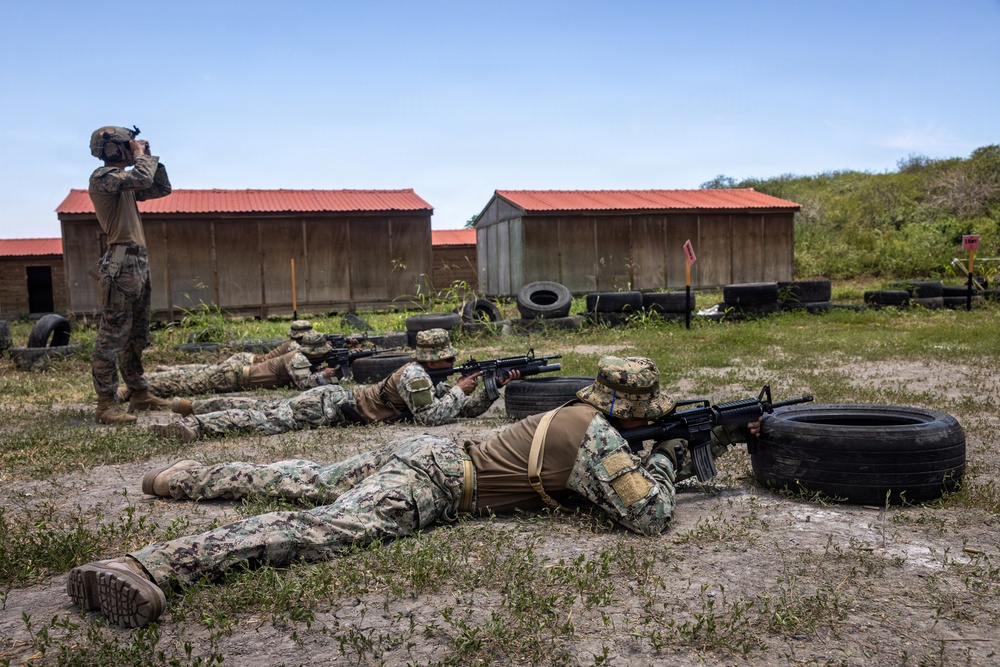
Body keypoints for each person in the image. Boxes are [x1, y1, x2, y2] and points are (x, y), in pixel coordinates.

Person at [66, 355, 759, 628]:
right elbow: (648, 514)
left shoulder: (581, 417)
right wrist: (669, 455)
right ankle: (147, 564)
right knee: (321, 527)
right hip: (433, 481)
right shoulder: (599, 439)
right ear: (633, 408)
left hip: (427, 450)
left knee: (304, 476)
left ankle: (179, 476)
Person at [149, 328, 517, 441]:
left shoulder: (424, 375)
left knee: (263, 410)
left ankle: (191, 407)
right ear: (433, 357)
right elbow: (431, 418)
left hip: (334, 400)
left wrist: (490, 387)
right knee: (263, 419)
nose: (453, 363)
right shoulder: (415, 375)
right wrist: (460, 388)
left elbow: (459, 409)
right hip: (327, 407)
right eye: (448, 359)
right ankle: (194, 424)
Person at [88, 125, 173, 425]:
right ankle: (105, 404)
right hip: (122, 262)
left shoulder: (124, 182)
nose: (131, 149)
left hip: (137, 261)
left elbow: (160, 187)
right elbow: (141, 177)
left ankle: (138, 393)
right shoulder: (103, 178)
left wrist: (148, 156)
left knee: (136, 334)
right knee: (112, 335)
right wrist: (140, 158)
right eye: (128, 145)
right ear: (113, 149)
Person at [140, 330, 341, 400]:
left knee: (192, 376)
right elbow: (304, 384)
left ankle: (146, 381)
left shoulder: (299, 354)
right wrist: (325, 375)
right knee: (186, 385)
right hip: (234, 376)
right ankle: (140, 386)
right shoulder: (297, 357)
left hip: (237, 372)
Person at [148, 320, 314, 373]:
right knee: (209, 371)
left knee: (210, 369)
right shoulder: (294, 346)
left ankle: (168, 369)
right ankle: (170, 370)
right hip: (246, 362)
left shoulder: (293, 343)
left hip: (247, 360)